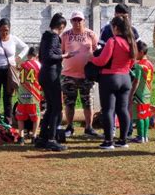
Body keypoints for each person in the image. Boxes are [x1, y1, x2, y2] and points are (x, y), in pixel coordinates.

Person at [90, 16, 136, 150]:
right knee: (123, 109)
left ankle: (108, 141)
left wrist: (91, 58)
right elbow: (133, 62)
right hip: (125, 78)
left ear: (115, 27)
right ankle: (123, 140)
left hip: (110, 77)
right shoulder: (130, 42)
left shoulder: (113, 41)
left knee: (109, 110)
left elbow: (102, 61)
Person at [37, 13, 74, 151]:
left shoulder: (45, 36)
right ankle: (51, 139)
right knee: (57, 108)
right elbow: (49, 56)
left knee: (51, 107)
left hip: (45, 73)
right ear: (61, 26)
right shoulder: (53, 37)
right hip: (51, 74)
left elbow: (41, 56)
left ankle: (42, 138)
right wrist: (65, 55)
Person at [61, 11, 99, 137]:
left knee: (87, 101)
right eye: (74, 20)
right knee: (69, 103)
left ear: (84, 21)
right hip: (68, 74)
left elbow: (96, 50)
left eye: (79, 20)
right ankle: (70, 126)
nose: (77, 22)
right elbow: (60, 52)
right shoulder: (65, 35)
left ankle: (89, 127)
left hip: (86, 75)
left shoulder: (91, 34)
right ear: (71, 21)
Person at [15, 47, 41, 145]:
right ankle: (34, 136)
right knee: (36, 117)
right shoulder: (38, 65)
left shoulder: (22, 65)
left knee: (21, 117)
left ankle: (21, 137)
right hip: (33, 96)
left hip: (22, 95)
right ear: (36, 56)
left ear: (28, 55)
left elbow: (17, 68)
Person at [129, 41, 154, 143]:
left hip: (139, 93)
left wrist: (131, 94)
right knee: (146, 115)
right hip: (147, 92)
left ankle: (140, 136)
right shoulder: (150, 64)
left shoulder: (139, 65)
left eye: (135, 52)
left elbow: (136, 80)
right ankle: (145, 136)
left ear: (141, 52)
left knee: (139, 115)